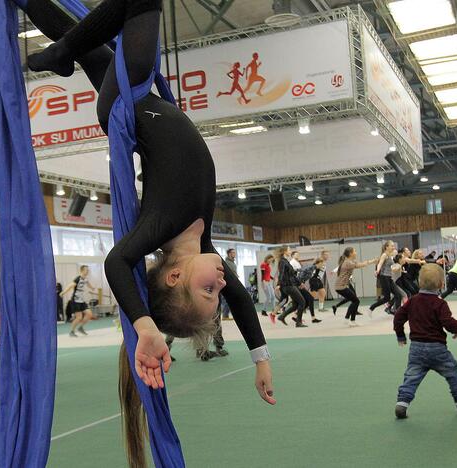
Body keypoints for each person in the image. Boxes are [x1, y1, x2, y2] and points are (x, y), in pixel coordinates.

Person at [26, 5, 275, 465]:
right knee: (87, 42)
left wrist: (144, 326)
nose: (222, 282)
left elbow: (116, 263)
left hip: (129, 103)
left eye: (207, 289)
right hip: (144, 98)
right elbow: (242, 301)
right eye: (218, 291)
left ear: (175, 277)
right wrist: (260, 359)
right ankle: (48, 31)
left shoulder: (160, 224)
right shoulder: (203, 246)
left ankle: (60, 52)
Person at [393, 264, 457, 419]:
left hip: (416, 349)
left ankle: (402, 403)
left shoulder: (412, 301)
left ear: (419, 282)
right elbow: (447, 322)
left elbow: (398, 317)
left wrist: (400, 335)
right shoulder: (440, 303)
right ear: (441, 285)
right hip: (437, 349)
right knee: (452, 370)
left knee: (411, 376)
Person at [334, 247, 377, 326]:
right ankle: (349, 320)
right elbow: (361, 265)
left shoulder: (349, 261)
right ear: (350, 253)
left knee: (355, 301)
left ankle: (349, 320)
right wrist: (372, 261)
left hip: (341, 286)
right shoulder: (348, 263)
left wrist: (372, 261)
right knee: (356, 301)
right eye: (355, 251)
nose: (356, 253)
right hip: (341, 287)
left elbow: (359, 263)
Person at [61, 265, 98, 337]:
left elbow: (88, 284)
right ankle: (72, 331)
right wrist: (63, 292)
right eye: (86, 270)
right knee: (79, 317)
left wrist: (92, 288)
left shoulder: (85, 279)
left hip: (81, 300)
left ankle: (80, 328)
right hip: (75, 300)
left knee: (89, 314)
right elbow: (70, 286)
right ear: (82, 271)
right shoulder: (78, 279)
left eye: (88, 270)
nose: (87, 271)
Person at [370, 241, 404, 314]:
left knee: (398, 295)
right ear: (387, 247)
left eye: (393, 246)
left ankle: (397, 312)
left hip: (389, 278)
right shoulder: (384, 255)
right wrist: (377, 271)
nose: (393, 247)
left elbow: (391, 266)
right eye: (392, 246)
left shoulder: (390, 255)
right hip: (384, 277)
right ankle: (372, 307)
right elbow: (380, 263)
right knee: (386, 298)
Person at [276, 246, 307, 327]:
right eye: (289, 250)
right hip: (288, 286)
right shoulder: (282, 262)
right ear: (284, 251)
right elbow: (281, 274)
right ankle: (298, 322)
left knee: (296, 304)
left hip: (290, 285)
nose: (290, 251)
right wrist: (278, 284)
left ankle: (282, 316)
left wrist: (299, 283)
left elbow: (292, 275)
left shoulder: (286, 261)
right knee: (302, 302)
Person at [220, 248, 237, 320]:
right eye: (233, 252)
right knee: (226, 300)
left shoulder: (232, 262)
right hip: (227, 283)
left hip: (232, 282)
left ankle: (226, 315)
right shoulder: (226, 262)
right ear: (229, 254)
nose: (234, 254)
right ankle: (225, 315)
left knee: (228, 300)